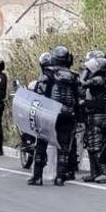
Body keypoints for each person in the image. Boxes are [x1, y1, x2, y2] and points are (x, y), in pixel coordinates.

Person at [29, 46, 80, 187]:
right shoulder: (74, 76)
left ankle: (37, 177)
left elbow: (40, 92)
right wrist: (79, 116)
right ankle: (59, 178)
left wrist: (36, 111)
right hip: (68, 113)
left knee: (41, 144)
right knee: (63, 147)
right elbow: (79, 98)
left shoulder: (48, 72)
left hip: (50, 112)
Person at [79, 53, 106, 184]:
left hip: (98, 117)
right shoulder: (101, 79)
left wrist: (85, 71)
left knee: (97, 146)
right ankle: (95, 173)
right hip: (94, 116)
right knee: (91, 146)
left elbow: (81, 83)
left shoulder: (98, 79)